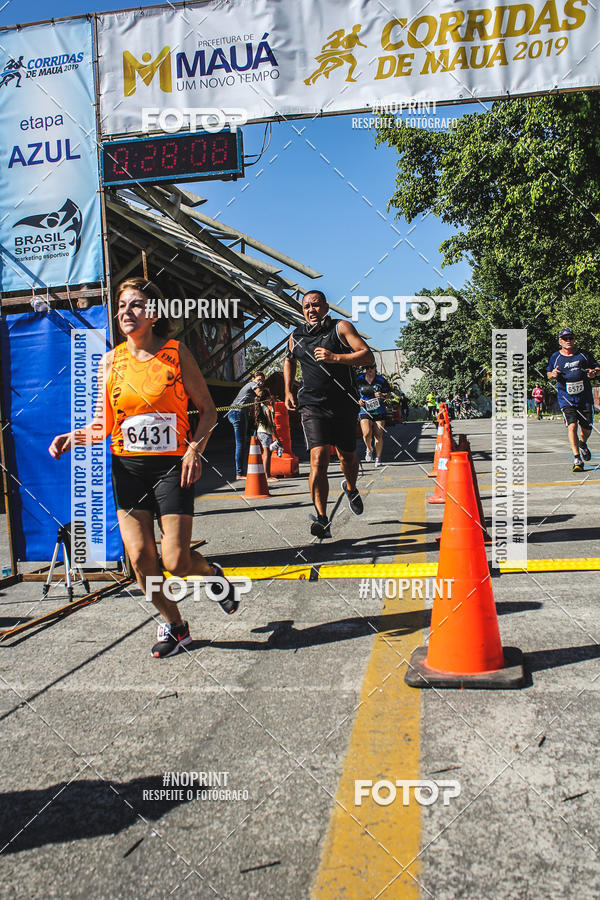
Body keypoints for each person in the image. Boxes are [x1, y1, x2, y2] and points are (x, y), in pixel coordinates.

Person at [49, 276, 239, 659]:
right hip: (129, 469)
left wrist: (194, 450)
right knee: (139, 559)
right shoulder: (110, 361)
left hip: (171, 468)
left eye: (135, 304)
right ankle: (176, 625)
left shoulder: (175, 353)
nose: (126, 312)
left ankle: (213, 575)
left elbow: (208, 411)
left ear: (153, 314)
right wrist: (74, 436)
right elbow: (103, 425)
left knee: (176, 562)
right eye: (121, 306)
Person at [283, 290, 374, 539]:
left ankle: (351, 488)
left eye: (315, 305)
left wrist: (336, 357)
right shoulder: (296, 336)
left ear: (325, 307)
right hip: (312, 405)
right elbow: (289, 360)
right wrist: (288, 389)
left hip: (343, 404)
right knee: (318, 458)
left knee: (348, 457)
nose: (311, 310)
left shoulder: (340, 328)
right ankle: (322, 519)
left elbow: (366, 355)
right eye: (306, 307)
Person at [547, 328, 600, 472]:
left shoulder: (584, 355)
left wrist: (594, 373)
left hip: (584, 398)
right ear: (560, 341)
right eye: (565, 338)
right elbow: (549, 374)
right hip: (566, 399)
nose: (568, 340)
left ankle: (582, 443)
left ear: (574, 339)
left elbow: (597, 368)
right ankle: (577, 458)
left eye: (571, 338)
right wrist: (553, 374)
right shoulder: (555, 357)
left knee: (587, 428)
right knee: (572, 426)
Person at [227, 371, 265, 479]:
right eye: (259, 379)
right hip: (237, 413)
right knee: (240, 444)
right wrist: (268, 395)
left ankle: (240, 472)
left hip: (240, 413)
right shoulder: (252, 384)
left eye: (262, 381)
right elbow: (260, 393)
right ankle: (239, 473)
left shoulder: (251, 388)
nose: (260, 382)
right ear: (253, 379)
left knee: (242, 442)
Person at [357, 364, 391, 466]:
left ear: (375, 368)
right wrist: (358, 400)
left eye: (371, 367)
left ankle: (378, 458)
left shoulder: (381, 380)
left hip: (379, 410)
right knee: (366, 433)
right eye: (367, 368)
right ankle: (369, 449)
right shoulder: (359, 379)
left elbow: (388, 394)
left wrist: (382, 395)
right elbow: (353, 391)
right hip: (364, 410)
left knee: (378, 435)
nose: (369, 370)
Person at [254, 388, 281, 481]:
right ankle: (267, 476)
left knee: (268, 454)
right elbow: (271, 424)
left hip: (260, 432)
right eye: (269, 396)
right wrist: (277, 438)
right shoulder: (266, 409)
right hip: (266, 433)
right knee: (267, 454)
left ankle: (267, 474)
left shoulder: (260, 407)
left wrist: (273, 405)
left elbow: (272, 416)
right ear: (266, 397)